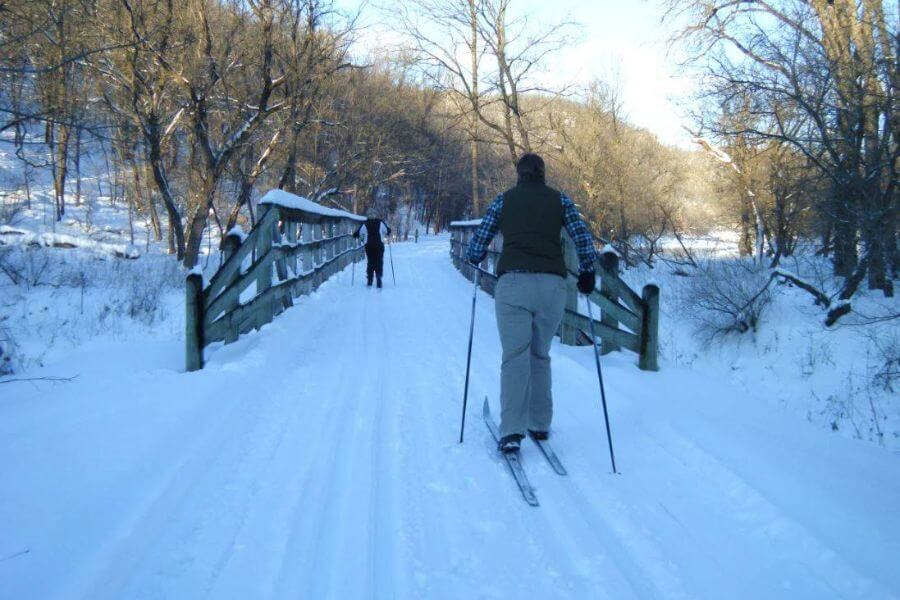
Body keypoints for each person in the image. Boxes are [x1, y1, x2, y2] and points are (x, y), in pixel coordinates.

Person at [466, 153, 598, 453]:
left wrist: (474, 256)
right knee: (540, 354)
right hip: (552, 286)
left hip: (513, 285)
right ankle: (540, 423)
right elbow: (582, 237)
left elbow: (481, 237)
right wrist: (587, 269)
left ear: (519, 174)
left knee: (515, 356)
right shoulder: (560, 200)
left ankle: (512, 430)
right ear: (543, 173)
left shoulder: (504, 200)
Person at [354, 213, 391, 288]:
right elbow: (387, 231)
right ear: (375, 216)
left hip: (369, 245)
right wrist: (389, 231)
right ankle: (378, 278)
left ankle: (370, 280)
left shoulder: (365, 224)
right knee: (379, 261)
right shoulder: (380, 222)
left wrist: (355, 235)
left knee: (370, 261)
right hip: (379, 245)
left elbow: (358, 232)